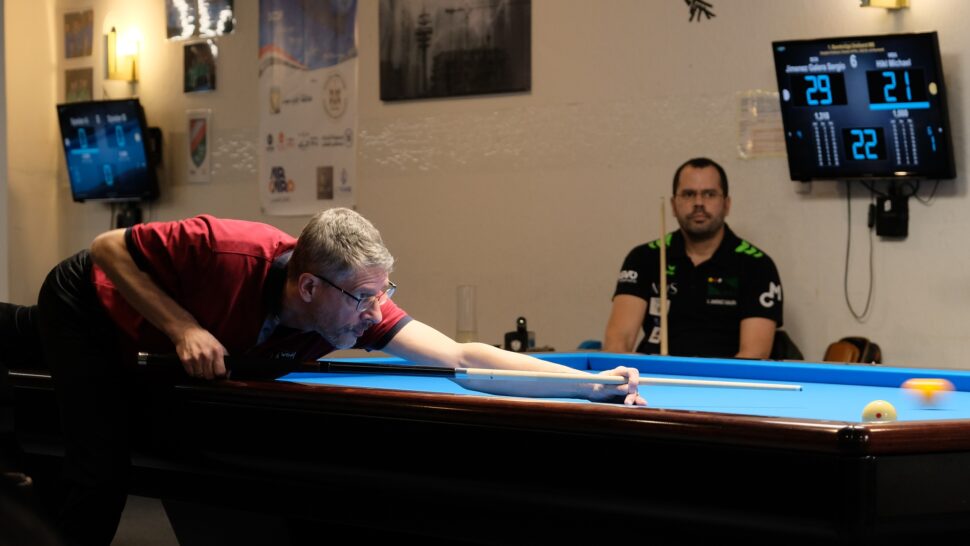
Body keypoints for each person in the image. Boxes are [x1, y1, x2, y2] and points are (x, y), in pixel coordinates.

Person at [4, 208, 643, 545]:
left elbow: (462, 355)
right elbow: (107, 248)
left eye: (382, 294)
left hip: (140, 329)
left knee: (26, 337)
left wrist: (588, 385)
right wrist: (183, 328)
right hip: (88, 302)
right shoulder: (226, 248)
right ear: (309, 286)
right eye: (363, 297)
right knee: (102, 469)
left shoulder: (350, 306)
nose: (374, 311)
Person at [604, 157, 783, 359]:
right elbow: (617, 344)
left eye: (709, 194)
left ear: (726, 204)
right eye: (689, 194)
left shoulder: (757, 266)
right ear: (673, 205)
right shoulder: (644, 258)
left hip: (724, 377)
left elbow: (754, 355)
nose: (699, 203)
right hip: (655, 375)